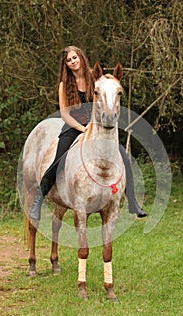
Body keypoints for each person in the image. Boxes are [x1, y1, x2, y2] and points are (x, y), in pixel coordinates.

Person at [30, 46, 147, 221]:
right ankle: (39, 198)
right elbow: (64, 114)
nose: (73, 62)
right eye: (69, 60)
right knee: (59, 158)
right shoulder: (65, 85)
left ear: (81, 57)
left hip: (96, 125)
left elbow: (109, 86)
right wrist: (82, 129)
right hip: (73, 126)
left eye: (74, 58)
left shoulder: (94, 77)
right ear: (66, 65)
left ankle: (132, 201)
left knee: (123, 155)